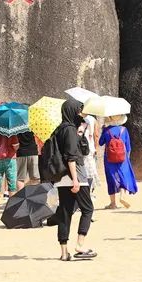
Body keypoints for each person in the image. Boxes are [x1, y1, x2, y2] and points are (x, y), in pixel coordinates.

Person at [54, 99, 96, 261]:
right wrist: (76, 180)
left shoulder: (59, 129)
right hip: (75, 175)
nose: (80, 113)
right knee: (87, 209)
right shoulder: (70, 130)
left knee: (65, 213)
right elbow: (71, 157)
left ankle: (64, 252)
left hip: (61, 177)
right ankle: (80, 245)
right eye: (78, 110)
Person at [98, 114, 138, 209]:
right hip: (122, 159)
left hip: (109, 159)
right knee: (122, 176)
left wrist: (103, 130)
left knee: (111, 178)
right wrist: (126, 158)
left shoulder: (107, 130)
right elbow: (128, 147)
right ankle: (122, 196)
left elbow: (100, 143)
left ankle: (113, 203)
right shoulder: (124, 130)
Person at [0, 126, 19, 210]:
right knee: (11, 181)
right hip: (10, 158)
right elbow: (16, 146)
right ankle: (11, 206)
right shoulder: (11, 132)